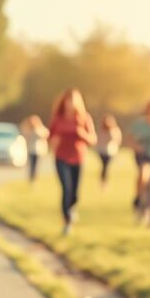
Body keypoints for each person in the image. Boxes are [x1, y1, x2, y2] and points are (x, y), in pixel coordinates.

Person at [48, 88, 97, 235]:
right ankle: (67, 221)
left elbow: (93, 140)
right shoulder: (58, 119)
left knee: (75, 193)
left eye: (73, 100)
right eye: (68, 100)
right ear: (64, 102)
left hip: (78, 158)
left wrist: (82, 134)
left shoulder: (84, 118)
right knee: (66, 188)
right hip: (61, 158)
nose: (70, 103)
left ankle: (72, 207)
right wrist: (53, 141)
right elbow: (50, 138)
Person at [21, 114, 49, 182]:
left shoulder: (40, 129)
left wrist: (36, 129)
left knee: (36, 165)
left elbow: (45, 135)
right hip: (31, 150)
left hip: (38, 150)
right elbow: (25, 137)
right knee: (31, 165)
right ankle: (31, 178)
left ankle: (35, 178)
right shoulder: (28, 129)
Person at [97, 114, 122, 189]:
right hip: (102, 151)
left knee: (106, 166)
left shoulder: (115, 130)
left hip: (110, 151)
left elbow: (117, 139)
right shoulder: (102, 130)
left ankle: (105, 181)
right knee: (105, 166)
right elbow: (99, 140)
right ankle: (103, 181)